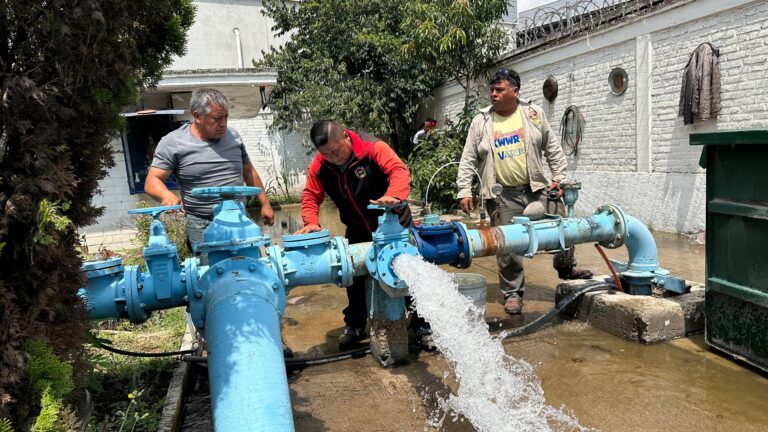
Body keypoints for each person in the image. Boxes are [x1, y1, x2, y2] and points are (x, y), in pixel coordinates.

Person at [456, 69, 592, 315]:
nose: (493, 94)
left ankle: (566, 267)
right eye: (492, 90)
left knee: (563, 224)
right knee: (507, 245)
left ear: (515, 91)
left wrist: (559, 179)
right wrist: (464, 190)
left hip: (536, 188)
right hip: (502, 195)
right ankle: (513, 294)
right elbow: (468, 159)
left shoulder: (533, 113)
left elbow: (552, 147)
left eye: (499, 90)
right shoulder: (481, 121)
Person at [295, 120, 434, 351]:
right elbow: (311, 195)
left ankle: (423, 325)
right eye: (326, 154)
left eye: (336, 150)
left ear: (345, 137)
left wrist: (393, 195)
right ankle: (355, 325)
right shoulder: (320, 165)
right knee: (354, 277)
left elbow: (398, 171)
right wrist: (311, 222)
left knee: (410, 273)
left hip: (394, 224)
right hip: (357, 228)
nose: (332, 157)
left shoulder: (372, 148)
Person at [145, 88, 274, 250]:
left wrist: (265, 204)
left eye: (226, 117)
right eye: (217, 118)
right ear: (197, 116)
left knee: (250, 263)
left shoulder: (233, 136)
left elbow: (248, 171)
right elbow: (152, 181)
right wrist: (166, 196)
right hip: (202, 224)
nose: (223, 123)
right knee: (211, 266)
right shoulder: (173, 142)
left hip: (239, 218)